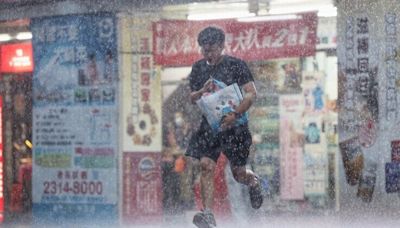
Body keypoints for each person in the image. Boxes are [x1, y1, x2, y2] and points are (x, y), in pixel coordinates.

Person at [185, 26, 263, 228]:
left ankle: (254, 182)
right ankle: (208, 214)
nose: (207, 54)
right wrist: (202, 90)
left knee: (239, 174)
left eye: (211, 49)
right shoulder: (198, 68)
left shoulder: (236, 65)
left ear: (221, 46)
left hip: (235, 126)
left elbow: (251, 93)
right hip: (211, 126)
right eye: (204, 50)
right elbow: (192, 97)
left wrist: (236, 113)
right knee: (205, 165)